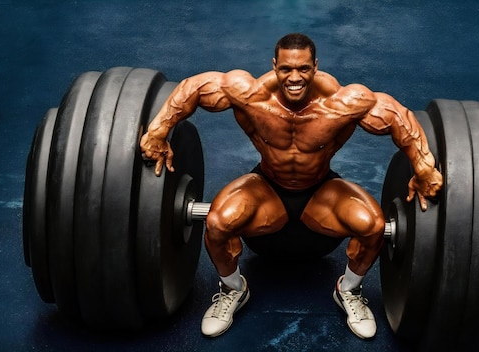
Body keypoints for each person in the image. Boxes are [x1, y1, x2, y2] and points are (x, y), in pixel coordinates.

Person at [140, 33, 442, 339]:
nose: (294, 77)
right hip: (267, 188)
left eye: (303, 69)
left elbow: (395, 117)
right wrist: (158, 130)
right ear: (274, 66)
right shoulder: (250, 95)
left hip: (321, 191)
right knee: (217, 222)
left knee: (375, 226)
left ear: (315, 66)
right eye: (286, 69)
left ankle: (348, 290)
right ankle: (233, 288)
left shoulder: (342, 103)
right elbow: (195, 87)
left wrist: (423, 167)